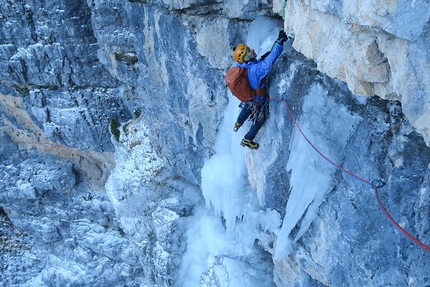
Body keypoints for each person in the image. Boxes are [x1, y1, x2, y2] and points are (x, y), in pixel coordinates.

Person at [232, 30, 288, 149]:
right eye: (249, 51)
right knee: (260, 119)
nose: (252, 49)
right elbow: (269, 63)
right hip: (258, 98)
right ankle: (248, 139)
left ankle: (238, 122)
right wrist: (280, 43)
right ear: (246, 57)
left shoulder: (243, 66)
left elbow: (257, 64)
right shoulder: (255, 70)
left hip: (250, 97)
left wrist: (261, 58)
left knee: (247, 106)